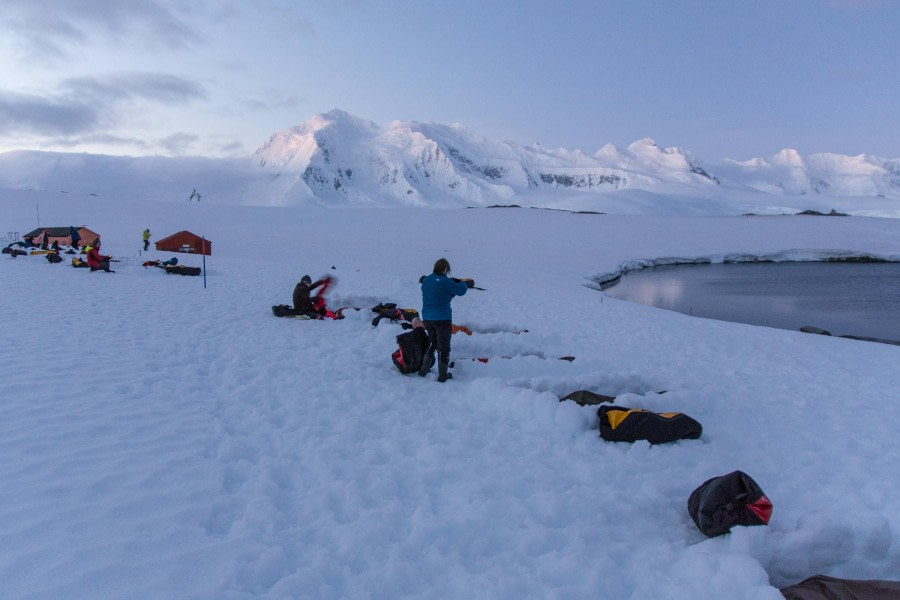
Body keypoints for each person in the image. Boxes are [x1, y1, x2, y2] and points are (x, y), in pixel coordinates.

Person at [418, 258, 469, 382]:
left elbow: (438, 292)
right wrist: (464, 283)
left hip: (427, 318)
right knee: (444, 346)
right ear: (446, 269)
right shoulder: (446, 282)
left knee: (432, 342)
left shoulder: (426, 280)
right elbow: (461, 290)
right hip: (442, 319)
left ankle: (423, 370)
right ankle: (442, 375)